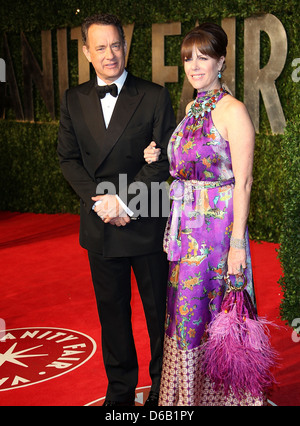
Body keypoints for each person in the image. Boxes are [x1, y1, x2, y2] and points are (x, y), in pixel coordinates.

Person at [57, 13, 176, 406]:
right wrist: (104, 202)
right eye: (101, 47)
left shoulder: (155, 95)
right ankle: (120, 394)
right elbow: (68, 159)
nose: (111, 54)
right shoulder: (74, 99)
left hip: (145, 219)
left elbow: (162, 162)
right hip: (100, 223)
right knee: (113, 317)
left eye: (117, 44)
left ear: (126, 45)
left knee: (159, 316)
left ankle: (164, 391)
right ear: (87, 52)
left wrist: (124, 201)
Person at [144, 23, 264, 406]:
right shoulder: (192, 106)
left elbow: (242, 183)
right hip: (187, 232)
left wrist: (237, 247)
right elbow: (190, 165)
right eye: (188, 58)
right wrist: (160, 154)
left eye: (203, 57)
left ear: (221, 61)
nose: (194, 66)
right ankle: (190, 399)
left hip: (217, 234)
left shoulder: (233, 110)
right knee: (185, 315)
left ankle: (229, 398)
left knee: (217, 315)